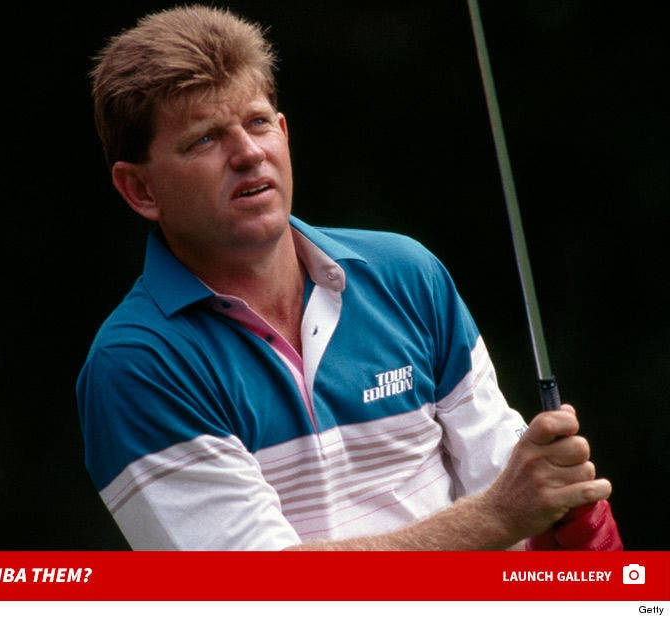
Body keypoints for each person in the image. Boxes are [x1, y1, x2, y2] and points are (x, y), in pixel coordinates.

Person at [77, 5, 621, 550]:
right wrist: (500, 517)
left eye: (258, 122)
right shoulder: (138, 364)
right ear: (140, 190)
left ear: (284, 133)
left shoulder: (406, 275)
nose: (248, 153)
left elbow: (513, 495)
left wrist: (560, 533)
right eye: (205, 140)